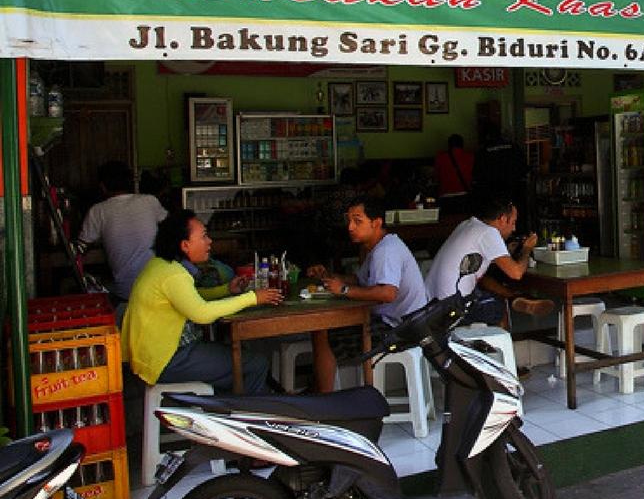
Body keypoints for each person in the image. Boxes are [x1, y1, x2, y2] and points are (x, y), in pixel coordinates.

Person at [121, 209, 282, 394]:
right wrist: (252, 297)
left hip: (156, 357)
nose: (209, 241)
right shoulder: (173, 275)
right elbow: (201, 313)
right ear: (185, 245)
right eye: (203, 237)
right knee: (255, 364)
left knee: (239, 365)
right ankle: (248, 415)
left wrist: (227, 290)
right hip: (168, 360)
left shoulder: (162, 265)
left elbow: (190, 298)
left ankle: (232, 407)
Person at [306, 195, 429, 393]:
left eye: (358, 221)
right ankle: (318, 390)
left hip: (399, 329)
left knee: (323, 332)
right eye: (349, 221)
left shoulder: (386, 251)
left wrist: (344, 290)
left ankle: (323, 399)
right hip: (398, 323)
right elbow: (359, 280)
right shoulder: (378, 248)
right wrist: (328, 276)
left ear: (376, 223)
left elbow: (387, 293)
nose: (350, 227)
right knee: (325, 329)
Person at [423, 194, 548, 326]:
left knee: (485, 280)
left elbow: (490, 259)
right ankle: (501, 343)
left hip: (431, 304)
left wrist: (510, 250)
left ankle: (513, 296)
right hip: (452, 309)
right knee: (497, 307)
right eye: (513, 223)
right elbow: (516, 273)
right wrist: (527, 249)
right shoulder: (488, 233)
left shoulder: (467, 225)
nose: (514, 229)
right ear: (502, 219)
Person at [76, 160, 168, 314]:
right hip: (159, 288)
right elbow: (171, 228)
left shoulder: (98, 211)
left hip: (125, 294)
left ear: (103, 187)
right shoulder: (150, 201)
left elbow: (81, 248)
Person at [434, 133, 475, 215]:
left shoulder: (440, 157)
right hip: (464, 196)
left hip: (445, 196)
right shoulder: (470, 156)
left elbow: (436, 178)